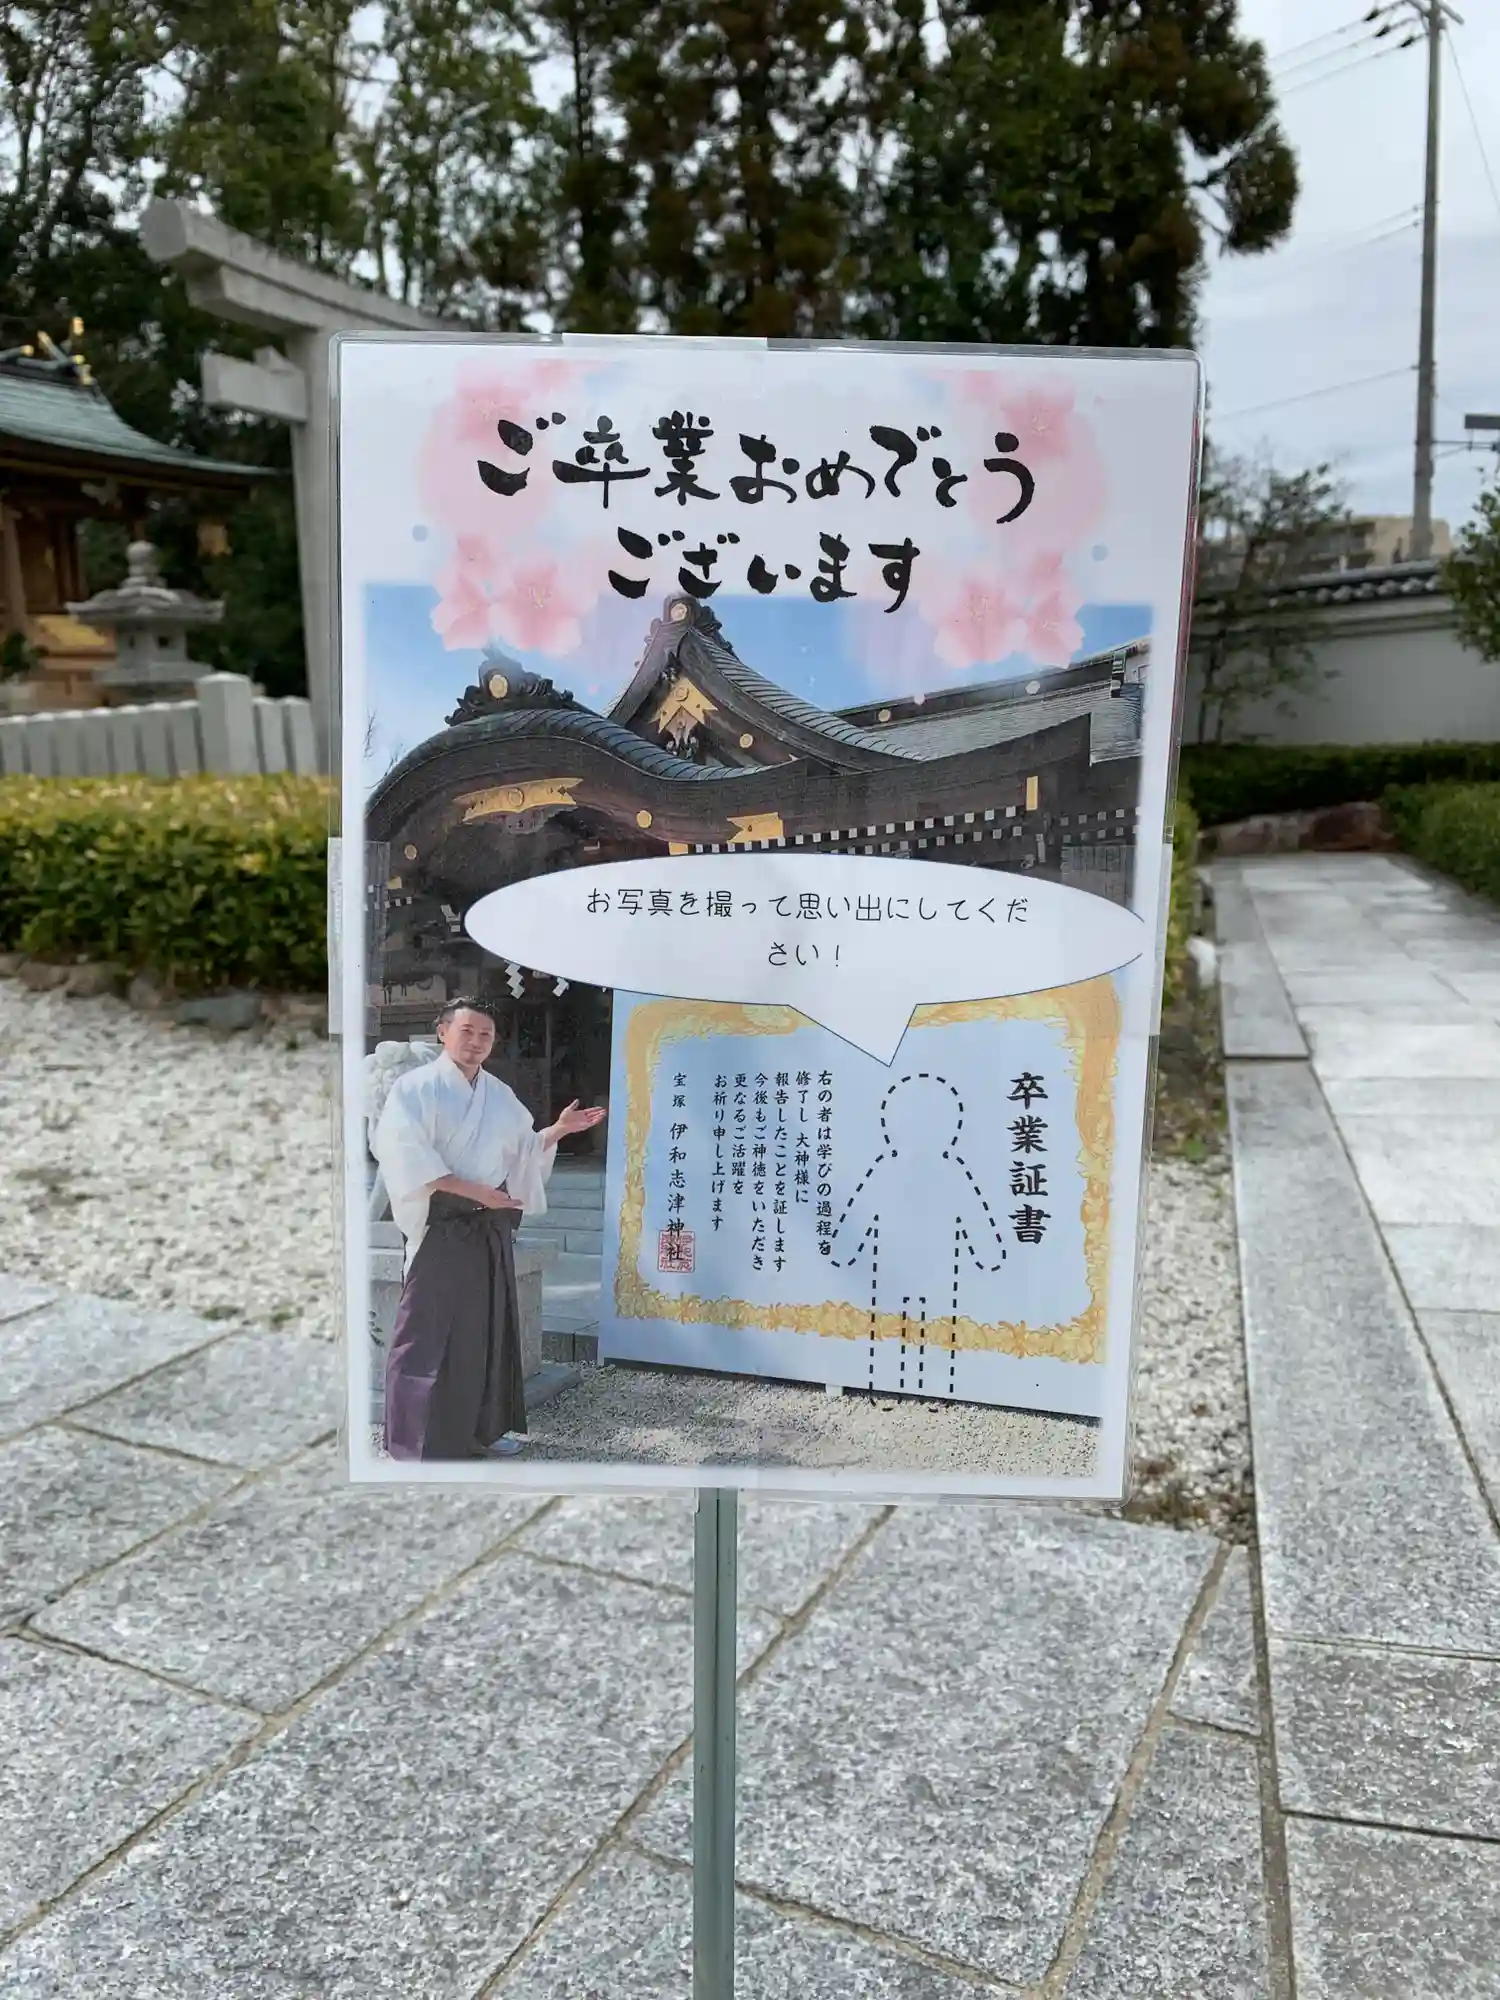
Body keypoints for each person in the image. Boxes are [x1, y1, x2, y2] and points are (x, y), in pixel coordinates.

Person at [371, 998, 605, 1461]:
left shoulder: (498, 1094)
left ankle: (481, 1430)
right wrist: (476, 1192)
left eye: (486, 1035)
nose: (477, 1042)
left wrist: (559, 1130)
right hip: (441, 1224)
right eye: (467, 1031)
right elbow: (406, 1156)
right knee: (425, 1332)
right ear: (442, 1032)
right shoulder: (414, 1089)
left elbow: (524, 1149)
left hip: (488, 1226)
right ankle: (415, 1442)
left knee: (486, 1331)